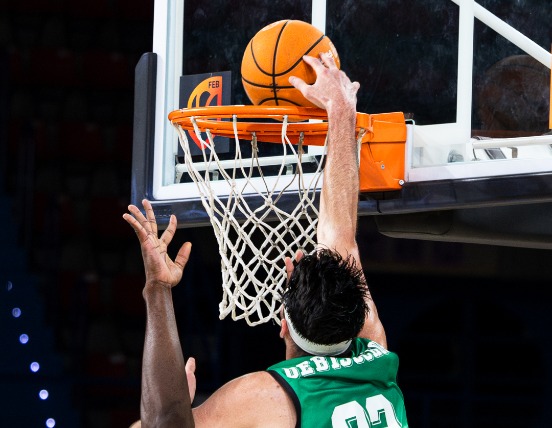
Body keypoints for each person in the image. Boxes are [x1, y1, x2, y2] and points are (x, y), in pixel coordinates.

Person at [123, 52, 408, 427]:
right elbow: (341, 236)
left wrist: (157, 288)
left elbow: (163, 423)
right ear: (359, 316)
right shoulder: (375, 355)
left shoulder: (267, 397)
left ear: (283, 325)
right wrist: (341, 112)